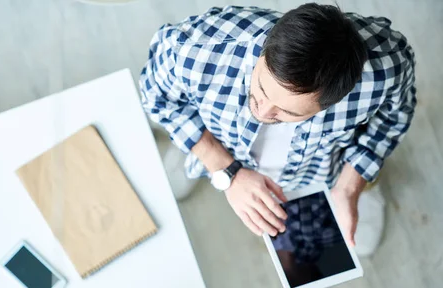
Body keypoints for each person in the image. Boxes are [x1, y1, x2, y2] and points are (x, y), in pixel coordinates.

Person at [139, 3, 416, 256]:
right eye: (260, 88)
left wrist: (350, 186)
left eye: (287, 112)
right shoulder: (196, 47)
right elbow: (155, 95)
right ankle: (197, 149)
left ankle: (363, 187)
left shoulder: (386, 70)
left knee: (356, 230)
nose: (261, 113)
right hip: (219, 135)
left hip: (319, 167)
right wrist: (224, 169)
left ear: (332, 103)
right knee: (193, 138)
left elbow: (393, 118)